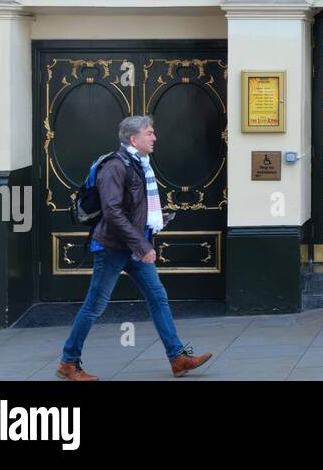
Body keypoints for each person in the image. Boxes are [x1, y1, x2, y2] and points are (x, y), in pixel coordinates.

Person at [57, 115, 212, 380]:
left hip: (134, 245)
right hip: (112, 247)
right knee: (95, 305)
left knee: (157, 298)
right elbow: (113, 212)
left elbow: (132, 207)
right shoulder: (115, 167)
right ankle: (68, 363)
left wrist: (153, 221)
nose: (154, 138)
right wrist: (142, 245)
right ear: (133, 139)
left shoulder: (139, 164)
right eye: (149, 133)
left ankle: (177, 358)